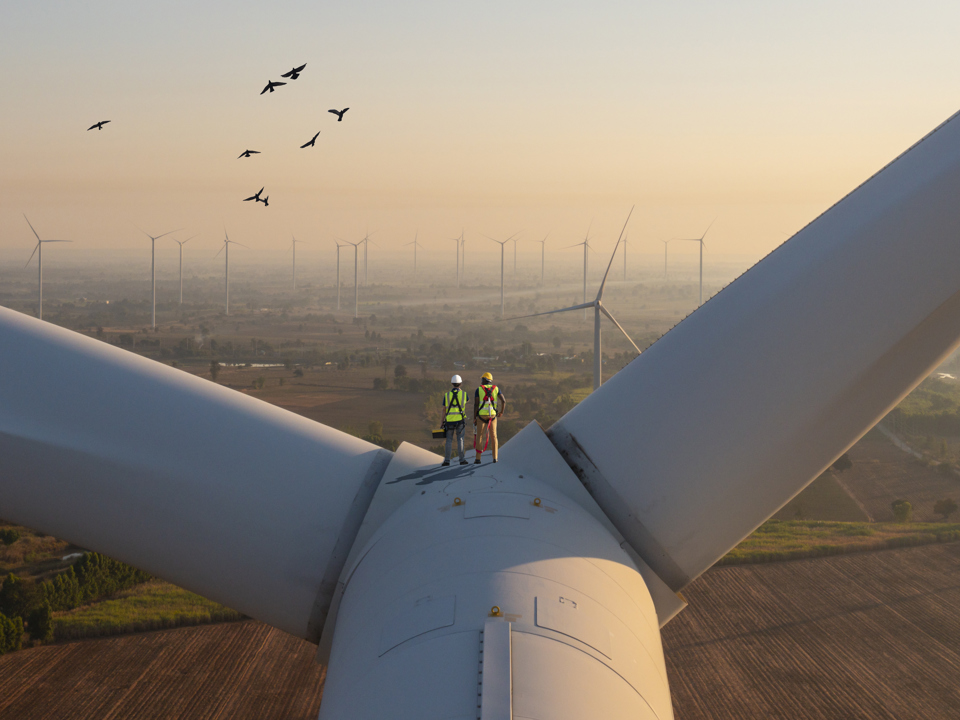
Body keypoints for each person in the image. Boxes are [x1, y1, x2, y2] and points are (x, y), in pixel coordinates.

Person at [474, 372, 506, 464]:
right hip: (493, 416)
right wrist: (501, 412)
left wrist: (474, 417)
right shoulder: (496, 389)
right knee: (494, 437)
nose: (481, 381)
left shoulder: (478, 389)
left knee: (480, 436)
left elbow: (476, 405)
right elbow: (503, 401)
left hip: (481, 416)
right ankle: (495, 458)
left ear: (485, 380)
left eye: (482, 379)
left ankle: (478, 459)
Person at [441, 374, 469, 466]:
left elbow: (444, 410)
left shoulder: (447, 395)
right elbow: (466, 402)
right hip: (460, 421)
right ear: (460, 383)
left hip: (449, 421)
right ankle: (462, 460)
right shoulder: (464, 394)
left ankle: (447, 461)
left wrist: (442, 422)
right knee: (460, 440)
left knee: (448, 440)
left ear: (452, 383)